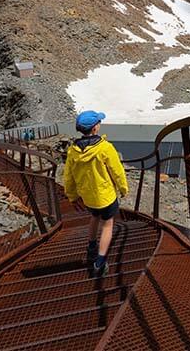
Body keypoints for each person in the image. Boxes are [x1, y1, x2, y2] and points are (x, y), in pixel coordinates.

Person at [64, 110, 128, 277]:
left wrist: (72, 196)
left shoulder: (72, 151)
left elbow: (68, 176)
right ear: (95, 128)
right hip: (106, 196)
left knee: (94, 217)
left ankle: (91, 246)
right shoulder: (105, 148)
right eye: (99, 122)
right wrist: (123, 188)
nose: (100, 124)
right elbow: (117, 171)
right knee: (107, 225)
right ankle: (100, 261)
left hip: (88, 197)